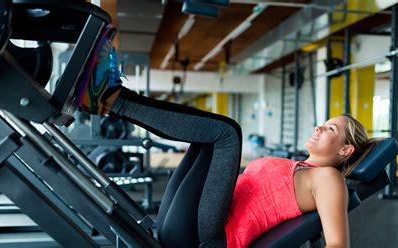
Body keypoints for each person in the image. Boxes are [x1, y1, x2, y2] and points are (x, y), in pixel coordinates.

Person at [75, 25, 378, 248]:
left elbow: (338, 244)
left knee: (227, 133)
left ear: (346, 150)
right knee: (206, 136)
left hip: (205, 236)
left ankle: (112, 98)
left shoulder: (328, 178)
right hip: (183, 224)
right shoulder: (302, 167)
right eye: (323, 123)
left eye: (331, 129)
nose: (319, 128)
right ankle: (109, 99)